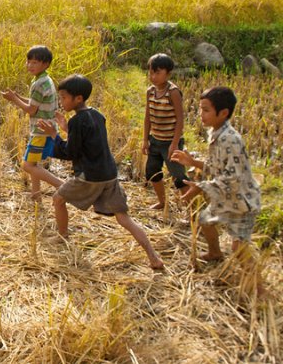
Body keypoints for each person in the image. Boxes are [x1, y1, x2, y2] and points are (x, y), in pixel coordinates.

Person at [38, 75, 164, 270]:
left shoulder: (77, 122)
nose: (61, 102)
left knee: (58, 199)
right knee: (124, 218)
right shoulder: (97, 115)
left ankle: (62, 235)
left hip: (90, 176)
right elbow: (88, 140)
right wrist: (66, 128)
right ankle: (153, 256)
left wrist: (54, 135)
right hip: (109, 173)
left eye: (63, 98)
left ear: (78, 98)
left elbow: (70, 152)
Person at [171, 87, 262, 267]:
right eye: (200, 109)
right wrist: (193, 162)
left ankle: (257, 288)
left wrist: (201, 187)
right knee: (206, 219)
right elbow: (216, 166)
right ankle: (215, 253)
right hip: (226, 196)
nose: (200, 114)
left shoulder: (230, 139)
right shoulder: (215, 132)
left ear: (223, 113)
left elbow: (233, 178)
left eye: (206, 110)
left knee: (238, 248)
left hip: (243, 200)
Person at [1, 45, 63, 201]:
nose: (30, 65)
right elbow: (36, 103)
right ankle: (36, 196)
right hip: (46, 128)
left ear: (46, 64)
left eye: (35, 62)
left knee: (28, 166)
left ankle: (61, 184)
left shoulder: (39, 84)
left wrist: (14, 99)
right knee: (35, 164)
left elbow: (31, 110)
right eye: (28, 61)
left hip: (40, 131)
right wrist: (18, 96)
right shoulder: (44, 80)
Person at [143, 53, 189, 211]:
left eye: (157, 73)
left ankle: (191, 208)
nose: (153, 76)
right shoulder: (150, 91)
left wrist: (175, 144)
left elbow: (180, 119)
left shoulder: (173, 92)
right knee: (152, 172)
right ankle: (162, 202)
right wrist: (145, 140)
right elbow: (148, 117)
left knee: (178, 177)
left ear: (168, 74)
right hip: (155, 140)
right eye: (151, 72)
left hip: (170, 142)